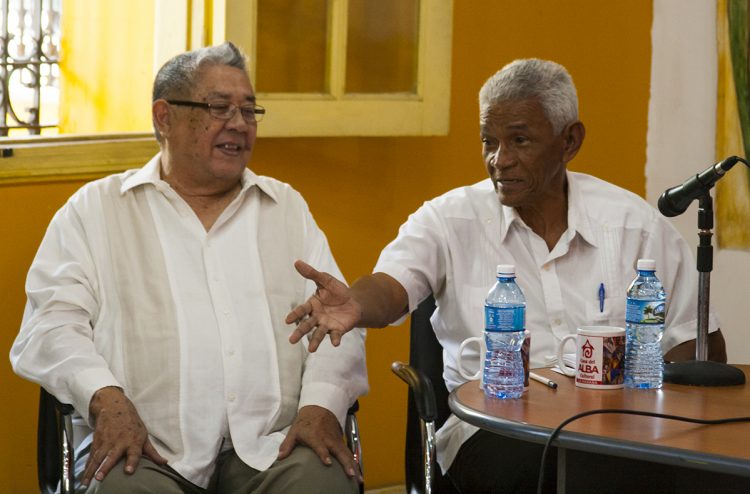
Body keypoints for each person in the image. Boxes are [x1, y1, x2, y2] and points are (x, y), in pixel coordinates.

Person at [285, 58, 726, 492]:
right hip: (495, 430)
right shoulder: (447, 219)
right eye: (488, 141)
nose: (500, 160)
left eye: (519, 140)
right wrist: (357, 305)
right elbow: (392, 286)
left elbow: (697, 345)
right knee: (563, 475)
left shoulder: (634, 225)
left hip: (618, 428)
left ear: (569, 141)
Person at [10, 42, 367, 494]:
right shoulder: (95, 211)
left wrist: (322, 405)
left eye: (249, 110)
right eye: (219, 107)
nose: (239, 124)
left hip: (271, 444)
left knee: (325, 483)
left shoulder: (286, 208)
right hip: (144, 447)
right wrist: (105, 399)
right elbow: (50, 325)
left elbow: (337, 321)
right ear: (164, 117)